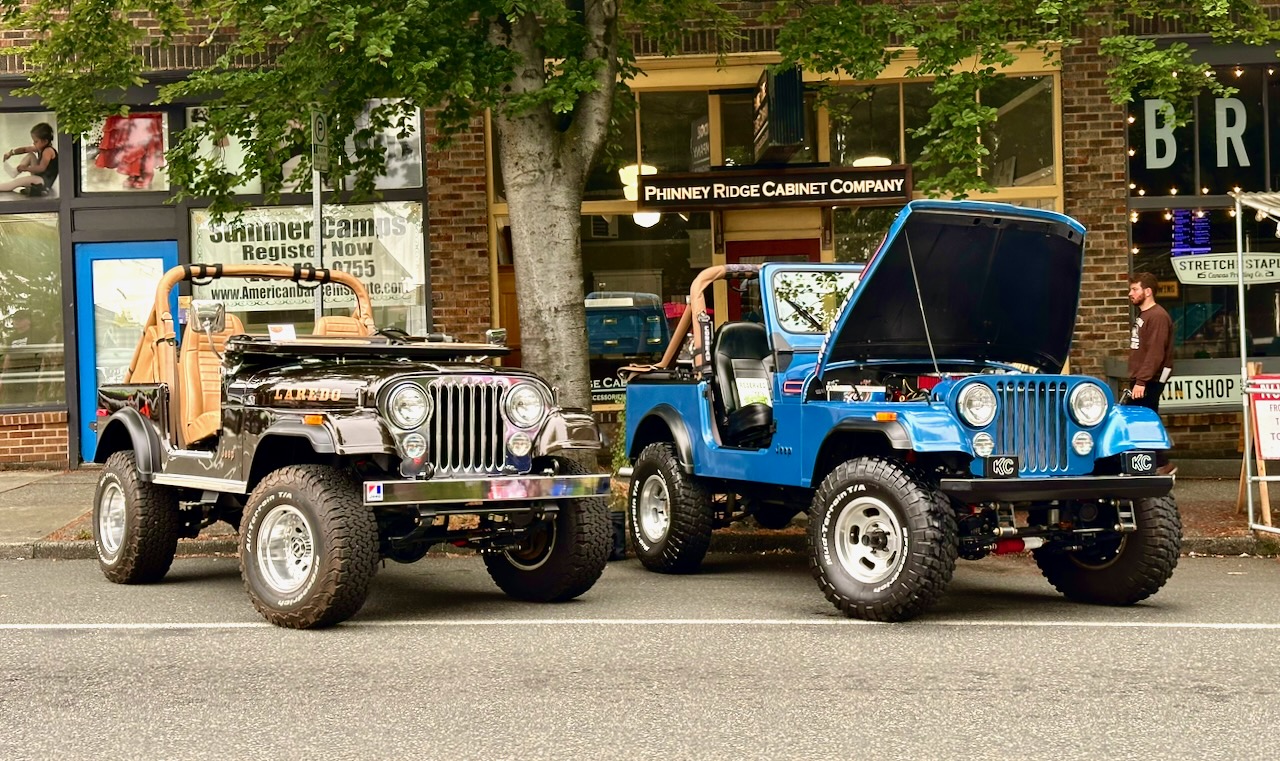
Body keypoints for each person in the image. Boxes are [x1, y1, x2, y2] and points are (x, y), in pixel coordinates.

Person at [1126, 271, 1176, 475]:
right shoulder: (1145, 315)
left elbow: (1155, 352)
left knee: (1145, 419)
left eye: (1134, 289)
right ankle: (1150, 463)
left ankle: (1161, 463)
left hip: (1150, 380)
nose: (1130, 293)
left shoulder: (1157, 316)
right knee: (1141, 419)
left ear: (1147, 291)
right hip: (1143, 378)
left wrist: (1142, 381)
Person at [0, 123, 58, 196]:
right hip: (39, 177)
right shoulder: (41, 147)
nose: (33, 143)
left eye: (36, 141)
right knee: (31, 154)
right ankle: (15, 172)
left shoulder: (48, 151)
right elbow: (25, 149)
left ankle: (38, 189)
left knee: (15, 183)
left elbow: (41, 168)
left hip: (42, 181)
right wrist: (11, 153)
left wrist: (26, 168)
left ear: (45, 141)